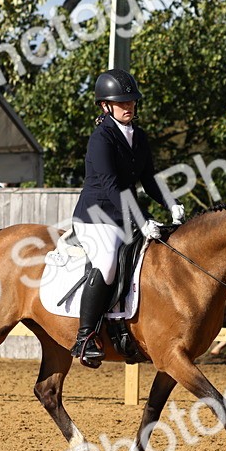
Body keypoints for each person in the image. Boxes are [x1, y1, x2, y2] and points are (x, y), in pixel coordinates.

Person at [69, 68, 185, 368]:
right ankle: (85, 337)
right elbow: (111, 185)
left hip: (123, 217)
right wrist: (143, 218)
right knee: (107, 262)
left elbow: (148, 179)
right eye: (122, 102)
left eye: (132, 101)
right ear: (105, 106)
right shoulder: (101, 138)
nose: (129, 106)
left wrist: (171, 202)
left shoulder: (138, 136)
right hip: (95, 218)